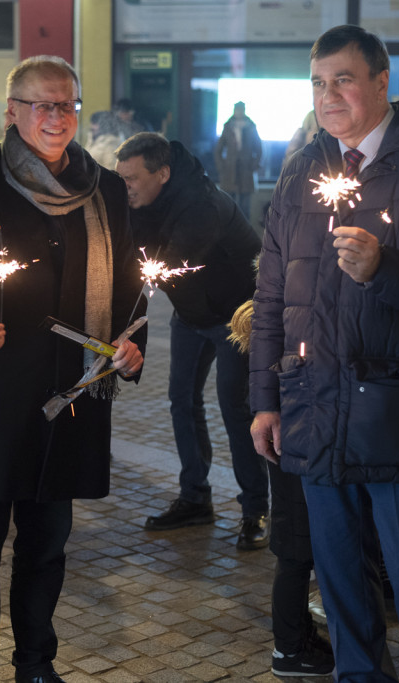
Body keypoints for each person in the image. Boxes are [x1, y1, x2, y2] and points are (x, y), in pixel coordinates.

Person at [249, 25, 399, 682]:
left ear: (382, 82)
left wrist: (385, 267)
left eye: (344, 79)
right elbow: (271, 290)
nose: (328, 95)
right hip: (315, 405)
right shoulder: (303, 165)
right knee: (339, 580)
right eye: (318, 82)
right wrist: (265, 399)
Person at [0, 55, 145, 683]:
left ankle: (36, 663)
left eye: (67, 103)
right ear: (12, 111)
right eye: (42, 104)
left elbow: (130, 284)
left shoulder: (105, 186)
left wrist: (129, 343)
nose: (56, 116)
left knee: (46, 548)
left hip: (71, 396)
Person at [114, 132, 270, 549]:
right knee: (181, 401)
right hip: (190, 315)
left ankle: (257, 509)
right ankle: (195, 498)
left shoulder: (202, 204)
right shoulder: (138, 204)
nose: (123, 186)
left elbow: (171, 263)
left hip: (236, 319)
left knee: (236, 411)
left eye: (131, 178)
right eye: (120, 177)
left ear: (162, 174)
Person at [227, 299, 334, 676]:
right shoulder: (278, 347)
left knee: (294, 554)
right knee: (295, 556)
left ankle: (296, 640)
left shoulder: (267, 349)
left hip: (291, 457)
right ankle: (290, 649)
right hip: (294, 455)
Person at [213, 101, 263, 219]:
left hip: (246, 171)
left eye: (241, 109)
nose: (239, 112)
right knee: (229, 206)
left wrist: (254, 165)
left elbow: (259, 148)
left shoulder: (251, 127)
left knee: (245, 207)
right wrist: (222, 167)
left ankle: (245, 234)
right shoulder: (228, 126)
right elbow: (218, 150)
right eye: (237, 109)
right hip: (230, 172)